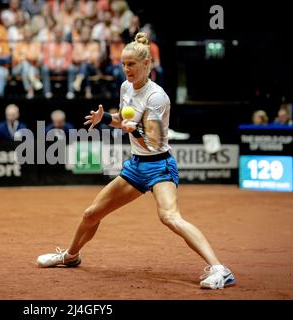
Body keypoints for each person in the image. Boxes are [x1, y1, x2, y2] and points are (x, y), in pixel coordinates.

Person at [37, 32, 236, 290]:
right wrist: (106, 119)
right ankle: (71, 255)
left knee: (170, 217)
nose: (126, 69)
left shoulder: (157, 97)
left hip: (160, 165)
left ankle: (220, 269)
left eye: (131, 64)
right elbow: (123, 118)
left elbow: (152, 141)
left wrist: (135, 130)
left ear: (146, 65)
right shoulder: (125, 87)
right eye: (123, 64)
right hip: (136, 166)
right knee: (91, 214)